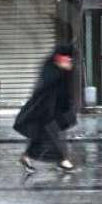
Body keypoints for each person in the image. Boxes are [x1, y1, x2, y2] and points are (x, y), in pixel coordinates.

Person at [14, 44, 76, 173]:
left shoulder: (62, 67)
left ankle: (26, 156)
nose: (69, 60)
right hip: (45, 109)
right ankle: (63, 160)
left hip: (55, 108)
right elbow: (45, 85)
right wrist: (61, 70)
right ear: (59, 57)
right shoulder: (50, 67)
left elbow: (65, 88)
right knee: (52, 134)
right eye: (66, 57)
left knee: (41, 135)